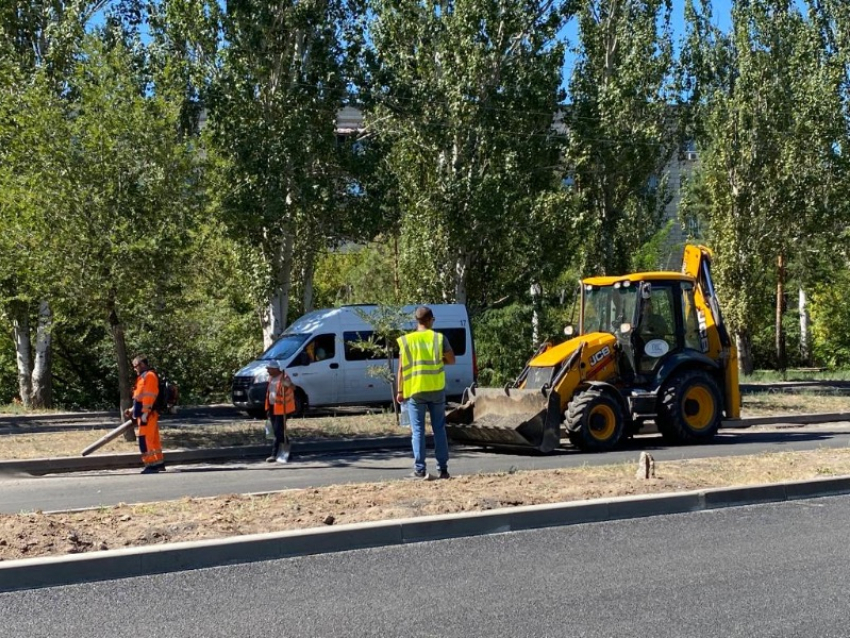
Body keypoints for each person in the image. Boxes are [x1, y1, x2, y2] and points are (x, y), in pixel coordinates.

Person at [396, 305, 455, 480]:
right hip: (436, 389)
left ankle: (420, 470)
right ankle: (443, 469)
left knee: (418, 431)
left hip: (415, 391)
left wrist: (400, 391)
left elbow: (400, 369)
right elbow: (451, 360)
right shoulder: (438, 338)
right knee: (439, 430)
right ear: (430, 320)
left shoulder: (406, 340)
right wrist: (439, 358)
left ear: (417, 321)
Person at [124, 355, 165, 474]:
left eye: (136, 366)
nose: (135, 369)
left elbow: (149, 396)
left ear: (142, 364)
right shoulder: (142, 377)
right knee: (153, 440)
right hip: (145, 413)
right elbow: (139, 398)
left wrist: (145, 413)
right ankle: (159, 463)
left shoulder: (149, 376)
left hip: (147, 415)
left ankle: (151, 465)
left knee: (144, 440)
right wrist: (132, 410)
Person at [265, 360, 297, 463]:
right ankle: (288, 453)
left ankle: (274, 454)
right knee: (278, 431)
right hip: (272, 407)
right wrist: (268, 409)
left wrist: (287, 384)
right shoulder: (271, 378)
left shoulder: (284, 377)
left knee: (278, 431)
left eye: (269, 369)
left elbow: (293, 388)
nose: (267, 371)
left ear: (275, 369)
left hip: (282, 409)